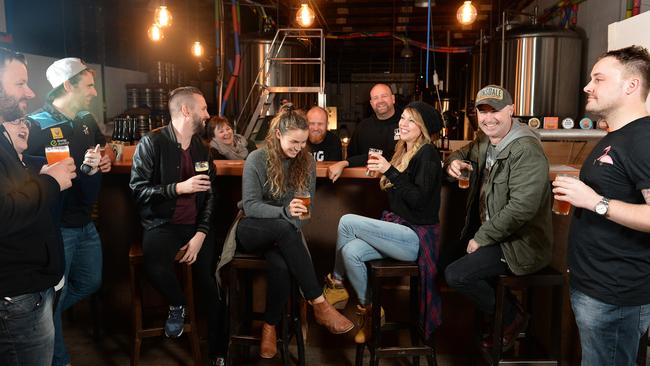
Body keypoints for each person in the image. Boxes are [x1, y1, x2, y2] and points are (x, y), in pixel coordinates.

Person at [216, 108, 354, 360]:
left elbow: (303, 210)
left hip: (284, 234)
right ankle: (319, 303)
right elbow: (251, 206)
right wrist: (283, 211)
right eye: (294, 142)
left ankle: (269, 327)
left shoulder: (306, 161)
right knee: (282, 227)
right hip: (251, 228)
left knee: (280, 265)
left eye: (303, 142)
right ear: (278, 134)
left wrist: (292, 216)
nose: (299, 148)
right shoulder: (257, 159)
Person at [552, 45, 650, 366]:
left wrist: (595, 202)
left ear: (630, 86)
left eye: (598, 79)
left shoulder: (642, 139)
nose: (587, 86)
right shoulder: (614, 136)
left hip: (616, 296)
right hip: (595, 288)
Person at [443, 85, 552, 352]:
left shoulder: (525, 148)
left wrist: (482, 237)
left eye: (496, 111)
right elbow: (460, 154)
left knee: (456, 274)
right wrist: (453, 163)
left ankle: (511, 318)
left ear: (512, 111)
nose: (488, 118)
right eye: (483, 111)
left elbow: (522, 207)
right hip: (494, 234)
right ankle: (503, 313)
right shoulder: (484, 140)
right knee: (443, 260)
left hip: (519, 243)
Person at [324, 101, 443, 343]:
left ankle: (335, 283)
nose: (403, 123)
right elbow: (365, 156)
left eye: (411, 120)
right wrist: (345, 162)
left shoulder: (427, 154)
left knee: (347, 221)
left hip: (416, 237)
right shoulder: (402, 151)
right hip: (400, 232)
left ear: (422, 127)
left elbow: (419, 201)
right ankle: (370, 311)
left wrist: (389, 171)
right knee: (350, 251)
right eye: (403, 119)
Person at [130, 86, 227, 364]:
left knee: (211, 286)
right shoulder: (152, 143)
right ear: (187, 111)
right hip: (162, 224)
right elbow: (138, 190)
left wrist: (201, 233)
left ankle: (218, 353)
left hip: (195, 227)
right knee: (155, 266)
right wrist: (179, 188)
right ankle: (178, 303)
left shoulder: (202, 149)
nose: (208, 114)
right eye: (204, 108)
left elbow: (210, 197)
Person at [25, 57, 112, 366]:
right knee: (55, 295)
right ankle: (60, 360)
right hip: (56, 225)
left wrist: (106, 160)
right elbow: (22, 167)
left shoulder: (86, 118)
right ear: (67, 86)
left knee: (90, 281)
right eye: (88, 85)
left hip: (85, 221)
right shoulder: (37, 124)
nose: (93, 91)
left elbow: (105, 147)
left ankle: (40, 317)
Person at [0, 47, 76, 366]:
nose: (29, 92)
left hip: (28, 293)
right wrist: (50, 182)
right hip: (16, 298)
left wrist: (40, 171)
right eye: (20, 83)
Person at [328, 83, 401, 181]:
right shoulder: (362, 128)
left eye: (384, 96)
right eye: (375, 98)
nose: (380, 101)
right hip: (367, 187)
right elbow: (352, 158)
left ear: (393, 99)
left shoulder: (406, 125)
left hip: (399, 187)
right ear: (371, 103)